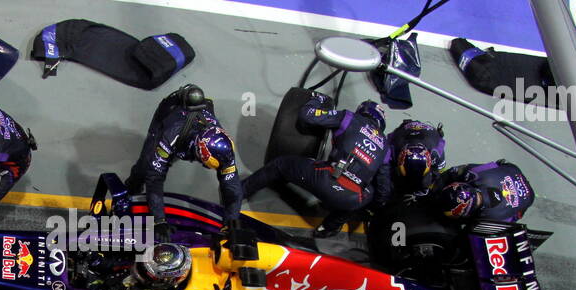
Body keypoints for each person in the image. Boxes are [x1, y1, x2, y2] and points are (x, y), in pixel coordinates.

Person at [243, 98, 392, 238]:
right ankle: (328, 228)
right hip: (349, 199)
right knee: (367, 193)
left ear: (362, 111)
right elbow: (383, 193)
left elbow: (307, 115)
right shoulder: (386, 148)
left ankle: (239, 190)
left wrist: (316, 100)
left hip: (324, 178)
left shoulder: (349, 118)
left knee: (280, 164)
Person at [126, 85, 243, 242]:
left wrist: (230, 223)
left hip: (196, 122)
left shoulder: (224, 149)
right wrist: (159, 220)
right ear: (200, 154)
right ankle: (130, 189)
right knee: (146, 166)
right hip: (171, 112)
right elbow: (154, 178)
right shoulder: (170, 136)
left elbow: (233, 190)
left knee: (229, 182)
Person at [432, 160, 535, 223]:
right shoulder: (475, 172)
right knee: (497, 164)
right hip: (513, 170)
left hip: (528, 197)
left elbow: (511, 223)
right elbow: (453, 172)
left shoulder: (492, 219)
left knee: (515, 216)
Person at [384, 119, 446, 201]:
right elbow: (384, 167)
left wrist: (426, 191)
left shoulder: (437, 151)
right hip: (405, 131)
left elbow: (439, 174)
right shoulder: (393, 146)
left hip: (429, 134)